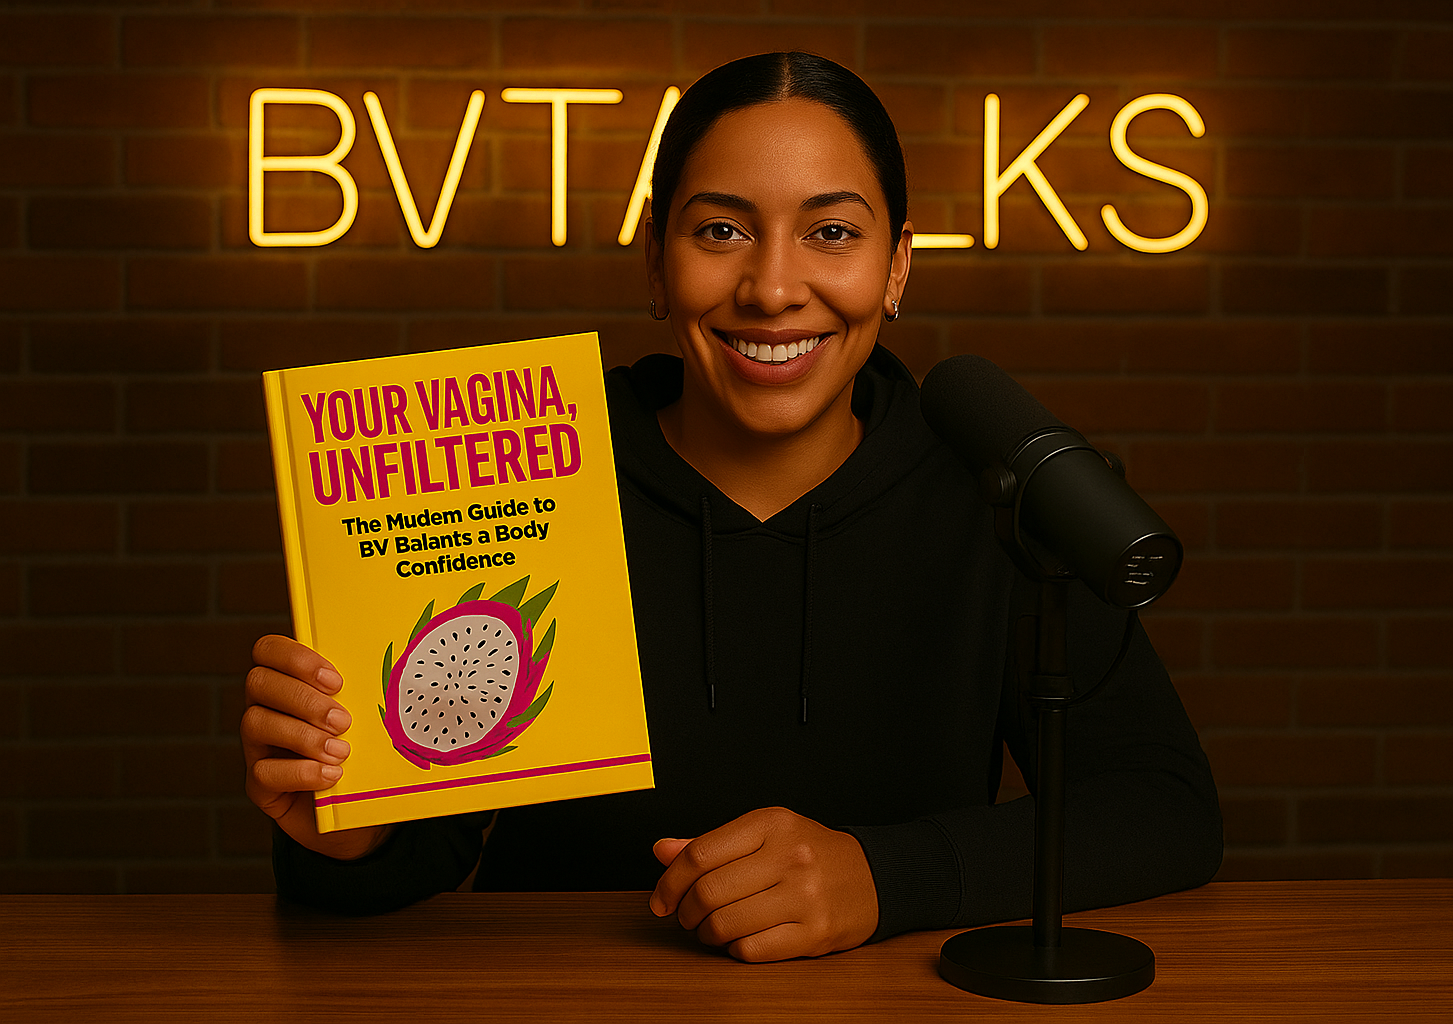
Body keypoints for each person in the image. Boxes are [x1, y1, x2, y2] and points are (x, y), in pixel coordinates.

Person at [243, 51, 1223, 964]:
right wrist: (348, 831)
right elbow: (423, 853)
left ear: (896, 267)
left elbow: (1164, 807)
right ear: (655, 261)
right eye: (721, 231)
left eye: (831, 233)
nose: (773, 288)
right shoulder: (520, 468)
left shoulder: (991, 495)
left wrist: (887, 877)